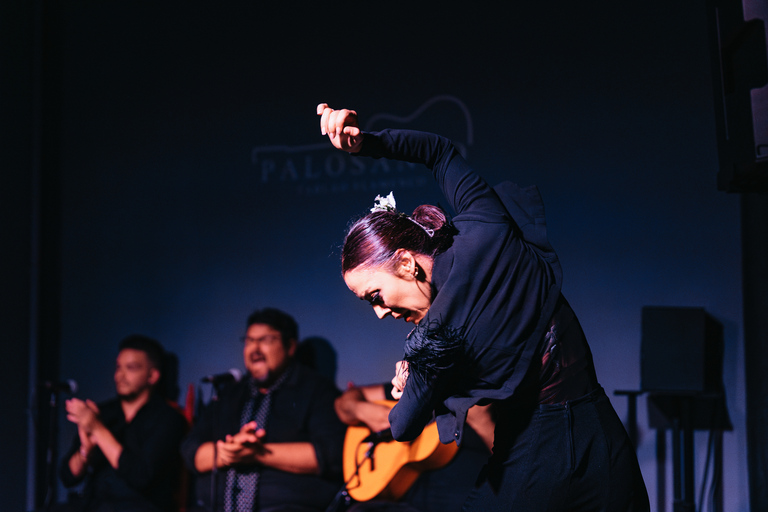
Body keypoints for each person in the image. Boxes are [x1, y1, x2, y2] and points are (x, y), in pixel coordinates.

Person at [317, 104, 650, 511]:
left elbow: (401, 427)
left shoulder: (437, 333)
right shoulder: (486, 225)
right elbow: (438, 152)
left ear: (405, 263)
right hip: (604, 440)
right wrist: (365, 143)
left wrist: (405, 388)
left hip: (536, 455)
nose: (380, 313)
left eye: (374, 296)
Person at [181, 308, 347, 512]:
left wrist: (258, 454)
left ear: (290, 346)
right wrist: (226, 453)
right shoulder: (228, 394)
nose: (255, 349)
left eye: (265, 340)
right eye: (249, 341)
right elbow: (191, 451)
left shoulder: (316, 390)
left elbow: (333, 455)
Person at [59, 334, 189, 512]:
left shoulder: (167, 418)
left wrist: (98, 429)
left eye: (131, 368)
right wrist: (85, 452)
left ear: (152, 376)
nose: (120, 375)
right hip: (94, 506)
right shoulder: (103, 413)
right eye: (118, 367)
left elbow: (141, 477)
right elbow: (67, 477)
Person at [335, 382, 493, 512]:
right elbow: (343, 403)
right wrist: (362, 410)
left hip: (465, 495)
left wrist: (482, 420)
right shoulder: (422, 383)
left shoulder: (497, 391)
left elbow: (510, 464)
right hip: (400, 494)